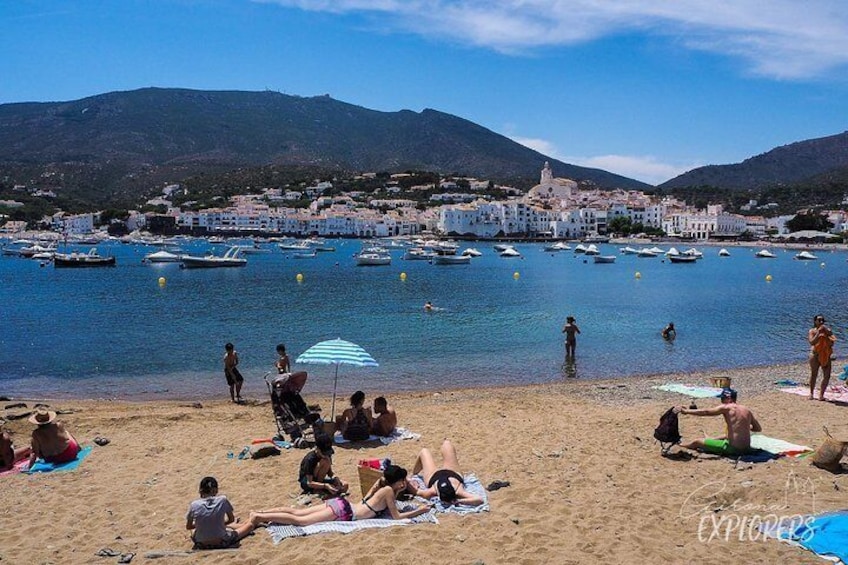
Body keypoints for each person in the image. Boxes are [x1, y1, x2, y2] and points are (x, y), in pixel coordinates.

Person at [249, 464, 431, 526]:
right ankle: (259, 516)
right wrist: (420, 511)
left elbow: (370, 496)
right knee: (301, 521)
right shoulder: (389, 491)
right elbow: (397, 517)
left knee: (297, 512)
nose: (405, 483)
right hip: (345, 512)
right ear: (397, 481)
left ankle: (261, 512)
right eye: (403, 480)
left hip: (342, 504)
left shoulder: (382, 487)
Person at [677, 388, 762, 456]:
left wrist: (686, 411)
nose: (721, 400)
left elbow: (706, 412)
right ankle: (711, 439)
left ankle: (682, 446)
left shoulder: (727, 407)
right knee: (726, 435)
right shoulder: (746, 409)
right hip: (747, 448)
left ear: (729, 398)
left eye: (722, 398)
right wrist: (744, 427)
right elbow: (758, 428)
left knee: (697, 442)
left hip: (734, 449)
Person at [409, 439, 484, 506]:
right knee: (447, 443)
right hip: (452, 473)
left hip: (434, 477)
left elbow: (416, 491)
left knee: (424, 451)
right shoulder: (459, 491)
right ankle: (414, 473)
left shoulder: (431, 491)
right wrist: (459, 501)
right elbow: (479, 499)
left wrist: (409, 480)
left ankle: (414, 473)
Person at [186, 476, 254, 549]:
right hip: (221, 541)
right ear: (215, 490)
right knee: (250, 526)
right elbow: (231, 519)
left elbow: (188, 526)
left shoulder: (194, 504)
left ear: (200, 491)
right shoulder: (222, 500)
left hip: (202, 543)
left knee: (194, 531)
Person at [808, 314, 836, 400]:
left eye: (822, 320)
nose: (821, 322)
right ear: (815, 321)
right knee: (814, 374)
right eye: (819, 320)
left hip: (826, 354)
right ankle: (811, 393)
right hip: (815, 354)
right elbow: (811, 342)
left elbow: (832, 341)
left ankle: (821, 395)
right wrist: (818, 333)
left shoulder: (828, 331)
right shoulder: (812, 331)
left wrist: (826, 335)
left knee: (827, 376)